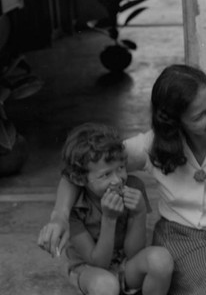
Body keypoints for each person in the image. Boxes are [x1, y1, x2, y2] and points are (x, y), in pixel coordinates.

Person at [38, 64, 206, 295]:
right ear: (175, 123)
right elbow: (81, 169)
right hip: (182, 240)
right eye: (198, 116)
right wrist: (59, 217)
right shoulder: (154, 145)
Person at [46, 122, 173, 295]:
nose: (117, 180)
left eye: (121, 168)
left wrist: (139, 213)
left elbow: (134, 252)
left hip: (125, 262)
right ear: (80, 180)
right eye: (105, 174)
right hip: (89, 269)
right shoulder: (76, 208)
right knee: (106, 286)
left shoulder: (134, 187)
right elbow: (99, 263)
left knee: (161, 260)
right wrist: (109, 219)